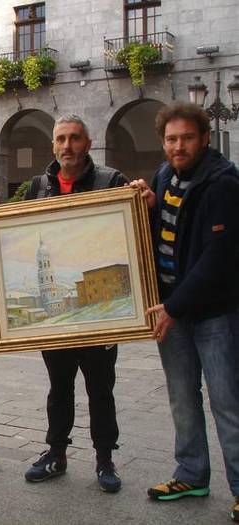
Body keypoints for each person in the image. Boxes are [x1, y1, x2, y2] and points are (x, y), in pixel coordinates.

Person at [131, 102, 239, 521]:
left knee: (228, 402)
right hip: (171, 309)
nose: (179, 146)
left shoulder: (224, 183)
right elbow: (167, 234)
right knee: (181, 398)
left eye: (187, 138)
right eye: (172, 139)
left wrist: (172, 306)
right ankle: (192, 473)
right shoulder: (164, 175)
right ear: (163, 142)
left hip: (212, 313)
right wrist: (149, 205)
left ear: (205, 138)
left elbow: (217, 257)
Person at [22, 115, 126, 493]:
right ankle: (56, 453)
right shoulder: (38, 186)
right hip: (57, 325)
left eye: (75, 138)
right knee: (59, 386)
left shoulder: (111, 181)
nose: (68, 146)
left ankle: (104, 459)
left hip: (101, 322)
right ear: (53, 146)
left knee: (101, 388)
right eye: (61, 139)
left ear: (88, 142)